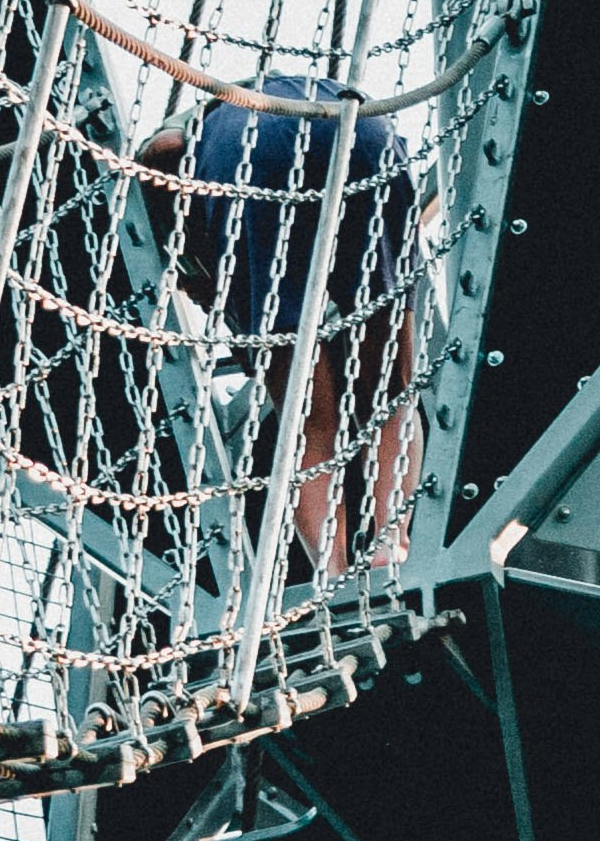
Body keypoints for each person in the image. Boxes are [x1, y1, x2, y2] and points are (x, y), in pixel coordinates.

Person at [143, 72, 424, 582]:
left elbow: (161, 150)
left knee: (306, 414)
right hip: (367, 135)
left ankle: (333, 568)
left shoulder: (197, 133)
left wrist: (199, 264)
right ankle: (390, 544)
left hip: (250, 160)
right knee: (391, 388)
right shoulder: (291, 88)